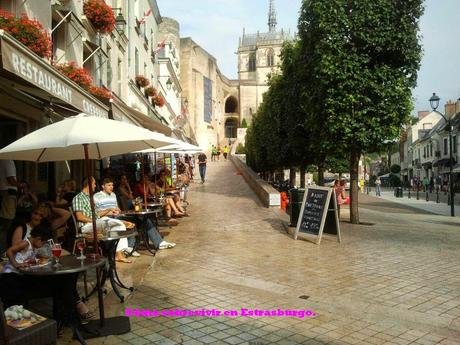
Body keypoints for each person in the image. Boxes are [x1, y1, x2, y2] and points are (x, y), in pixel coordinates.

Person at [93, 178, 134, 262]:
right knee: (123, 225)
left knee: (133, 223)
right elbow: (97, 212)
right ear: (103, 186)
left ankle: (128, 248)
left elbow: (116, 207)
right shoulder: (97, 196)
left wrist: (118, 210)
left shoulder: (113, 194)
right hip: (105, 218)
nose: (111, 187)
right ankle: (120, 253)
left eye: (112, 185)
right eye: (109, 185)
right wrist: (109, 212)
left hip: (115, 215)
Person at [0, 160, 18, 254]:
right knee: (6, 224)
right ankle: (3, 251)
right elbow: (10, 179)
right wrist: (20, 185)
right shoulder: (8, 161)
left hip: (4, 193)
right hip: (9, 193)